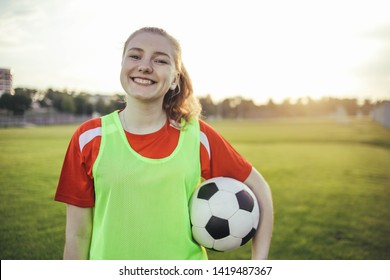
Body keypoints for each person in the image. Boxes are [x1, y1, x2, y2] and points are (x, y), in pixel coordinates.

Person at [55, 27, 273, 260]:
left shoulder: (196, 136)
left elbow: (259, 188)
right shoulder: (89, 137)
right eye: (135, 56)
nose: (145, 66)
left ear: (174, 80)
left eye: (160, 60)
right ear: (122, 66)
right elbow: (77, 235)